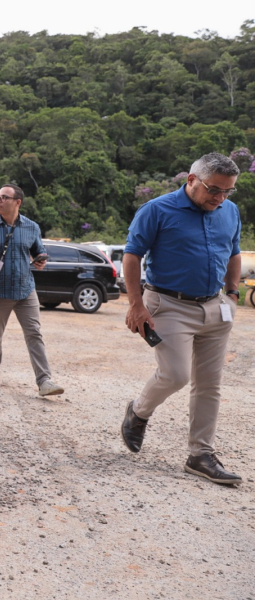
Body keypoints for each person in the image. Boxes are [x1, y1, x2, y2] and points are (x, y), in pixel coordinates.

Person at [121, 152, 242, 485]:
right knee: (175, 375)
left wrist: (231, 294)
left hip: (215, 306)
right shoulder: (156, 210)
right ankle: (139, 411)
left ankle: (200, 455)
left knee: (210, 385)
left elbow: (234, 252)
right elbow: (132, 256)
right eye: (213, 190)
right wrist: (136, 304)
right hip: (169, 304)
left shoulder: (229, 211)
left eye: (227, 191)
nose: (220, 199)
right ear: (191, 180)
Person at [0, 184, 64, 397]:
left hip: (25, 289)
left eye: (4, 197)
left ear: (17, 202)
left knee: (34, 334)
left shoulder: (31, 227)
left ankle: (44, 380)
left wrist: (40, 261)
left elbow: (38, 251)